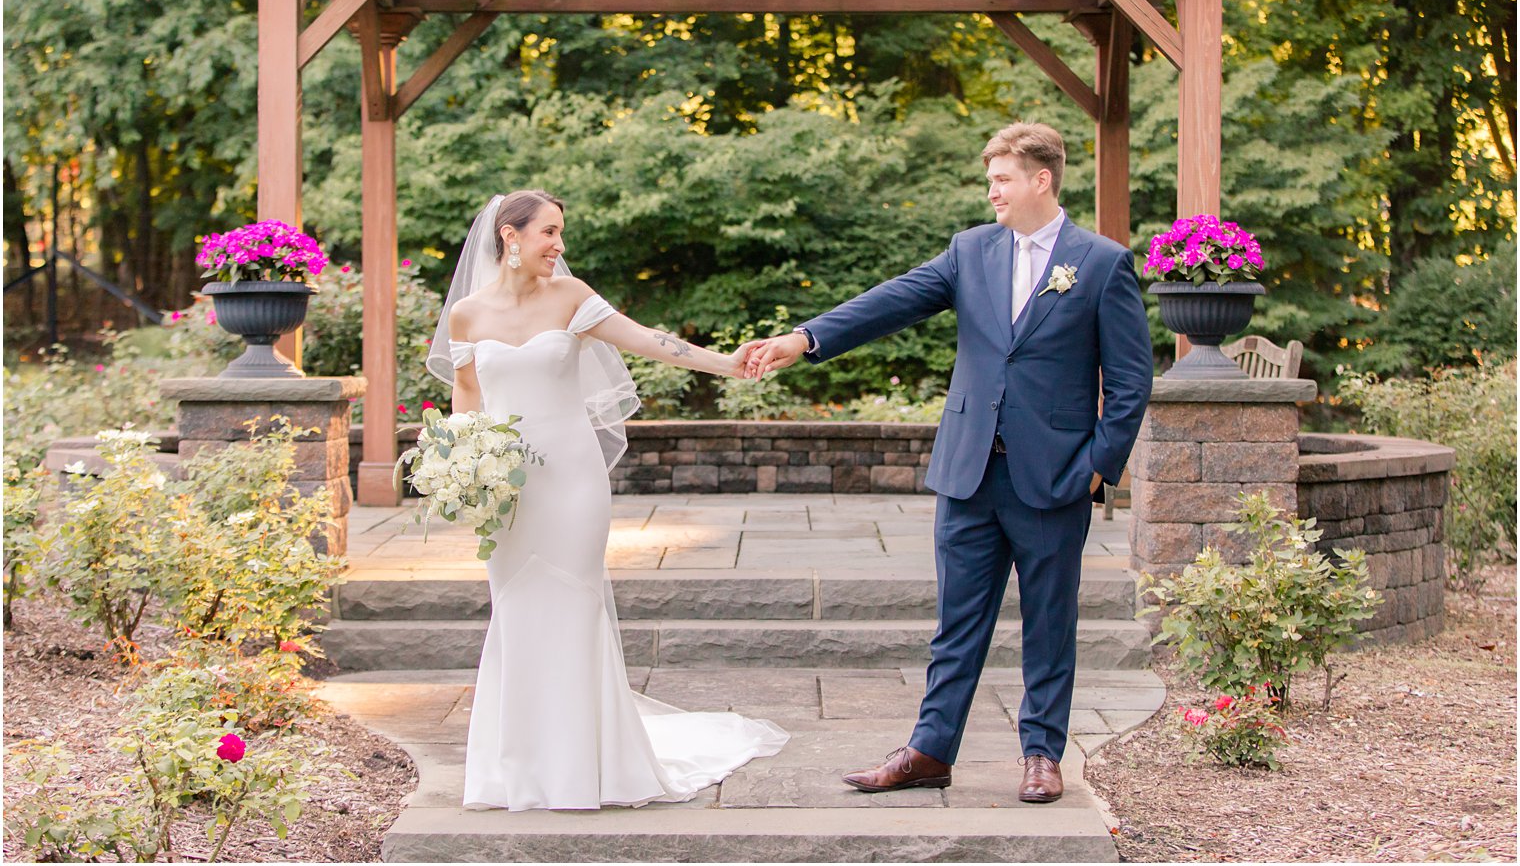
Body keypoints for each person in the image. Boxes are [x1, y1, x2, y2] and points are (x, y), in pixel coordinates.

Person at [745, 122, 1152, 803]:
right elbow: (895, 299)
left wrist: (1097, 465)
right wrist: (805, 337)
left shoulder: (1102, 262)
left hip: (1053, 477)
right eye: (990, 179)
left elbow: (1132, 380)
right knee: (956, 621)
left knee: (1050, 622)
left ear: (1041, 179)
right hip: (969, 470)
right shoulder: (971, 250)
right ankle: (931, 749)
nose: (991, 190)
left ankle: (1043, 753)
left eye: (1002, 178)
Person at [425, 189, 786, 812]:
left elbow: (651, 341)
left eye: (560, 233)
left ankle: (586, 766)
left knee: (573, 603)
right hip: (507, 490)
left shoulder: (572, 298)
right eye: (549, 232)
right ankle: (517, 768)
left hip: (571, 478)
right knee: (515, 611)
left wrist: (729, 365)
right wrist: (462, 468)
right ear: (510, 237)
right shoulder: (467, 315)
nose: (559, 245)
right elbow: (466, 401)